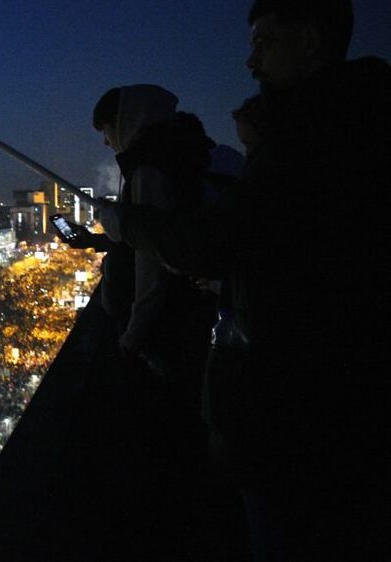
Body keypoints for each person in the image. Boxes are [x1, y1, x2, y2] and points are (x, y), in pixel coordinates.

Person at [100, 1, 391, 559]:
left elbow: (206, 245)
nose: (251, 61)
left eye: (262, 43)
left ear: (308, 43)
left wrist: (124, 223)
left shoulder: (310, 138)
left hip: (296, 401)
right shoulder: (348, 122)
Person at [74, 85, 218, 409]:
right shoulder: (178, 155)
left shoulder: (148, 168)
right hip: (178, 317)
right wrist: (99, 240)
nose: (106, 141)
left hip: (162, 329)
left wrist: (134, 334)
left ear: (125, 121)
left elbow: (150, 258)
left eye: (106, 130)